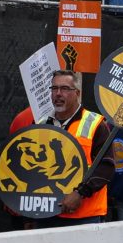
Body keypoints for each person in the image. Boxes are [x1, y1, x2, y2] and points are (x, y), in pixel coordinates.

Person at [20, 69, 116, 223]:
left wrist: (80, 193)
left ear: (77, 93)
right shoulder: (41, 124)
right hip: (46, 215)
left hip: (84, 216)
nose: (58, 93)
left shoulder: (96, 124)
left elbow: (106, 167)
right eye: (54, 88)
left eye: (64, 89)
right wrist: (28, 214)